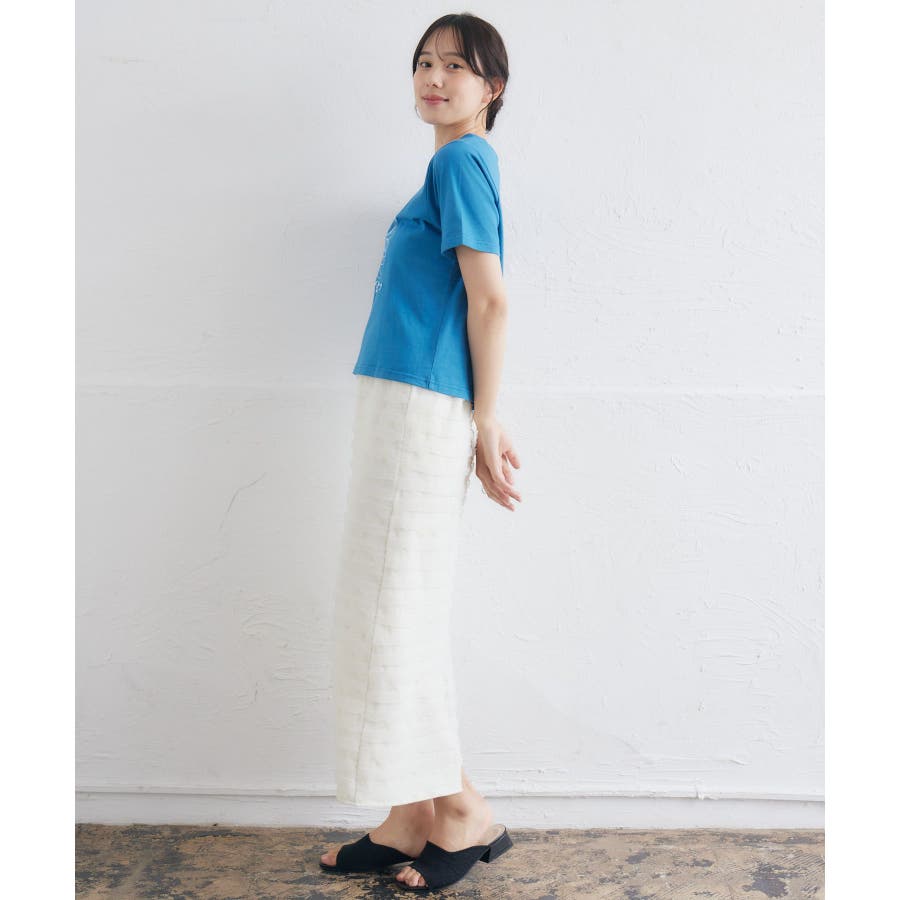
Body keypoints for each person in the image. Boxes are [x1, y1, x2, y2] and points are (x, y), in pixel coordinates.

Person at [319, 13, 520, 892]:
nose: (435, 78)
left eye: (457, 67)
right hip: (399, 399)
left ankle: (462, 809)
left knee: (390, 613)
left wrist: (486, 420)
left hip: (420, 407)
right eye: (424, 62)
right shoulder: (449, 166)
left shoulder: (460, 161)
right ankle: (409, 815)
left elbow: (491, 300)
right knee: (384, 609)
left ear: (492, 88)